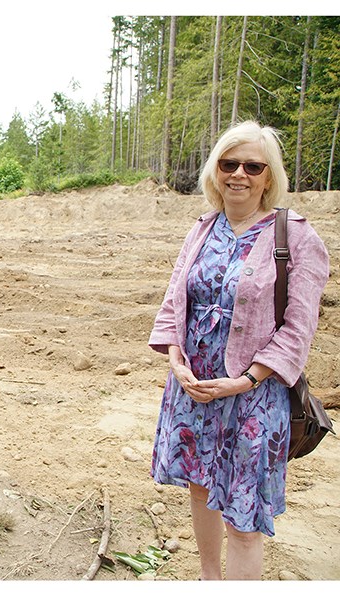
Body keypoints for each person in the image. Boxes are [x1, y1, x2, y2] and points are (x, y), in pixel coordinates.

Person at [148, 121, 329, 580]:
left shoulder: (297, 237)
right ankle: (210, 581)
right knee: (200, 487)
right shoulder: (203, 229)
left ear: (270, 177)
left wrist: (247, 379)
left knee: (244, 519)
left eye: (253, 166)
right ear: (216, 170)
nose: (239, 175)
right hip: (194, 386)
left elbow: (298, 328)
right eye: (230, 164)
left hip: (252, 393)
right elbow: (175, 300)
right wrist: (175, 360)